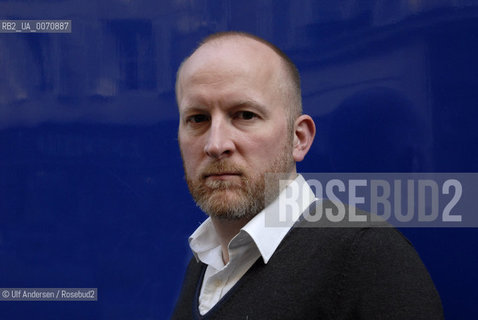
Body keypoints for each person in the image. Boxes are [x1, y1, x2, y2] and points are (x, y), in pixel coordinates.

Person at [171, 31, 443, 319]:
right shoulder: (203, 262)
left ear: (298, 138)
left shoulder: (369, 260)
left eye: (245, 115)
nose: (215, 144)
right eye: (197, 119)